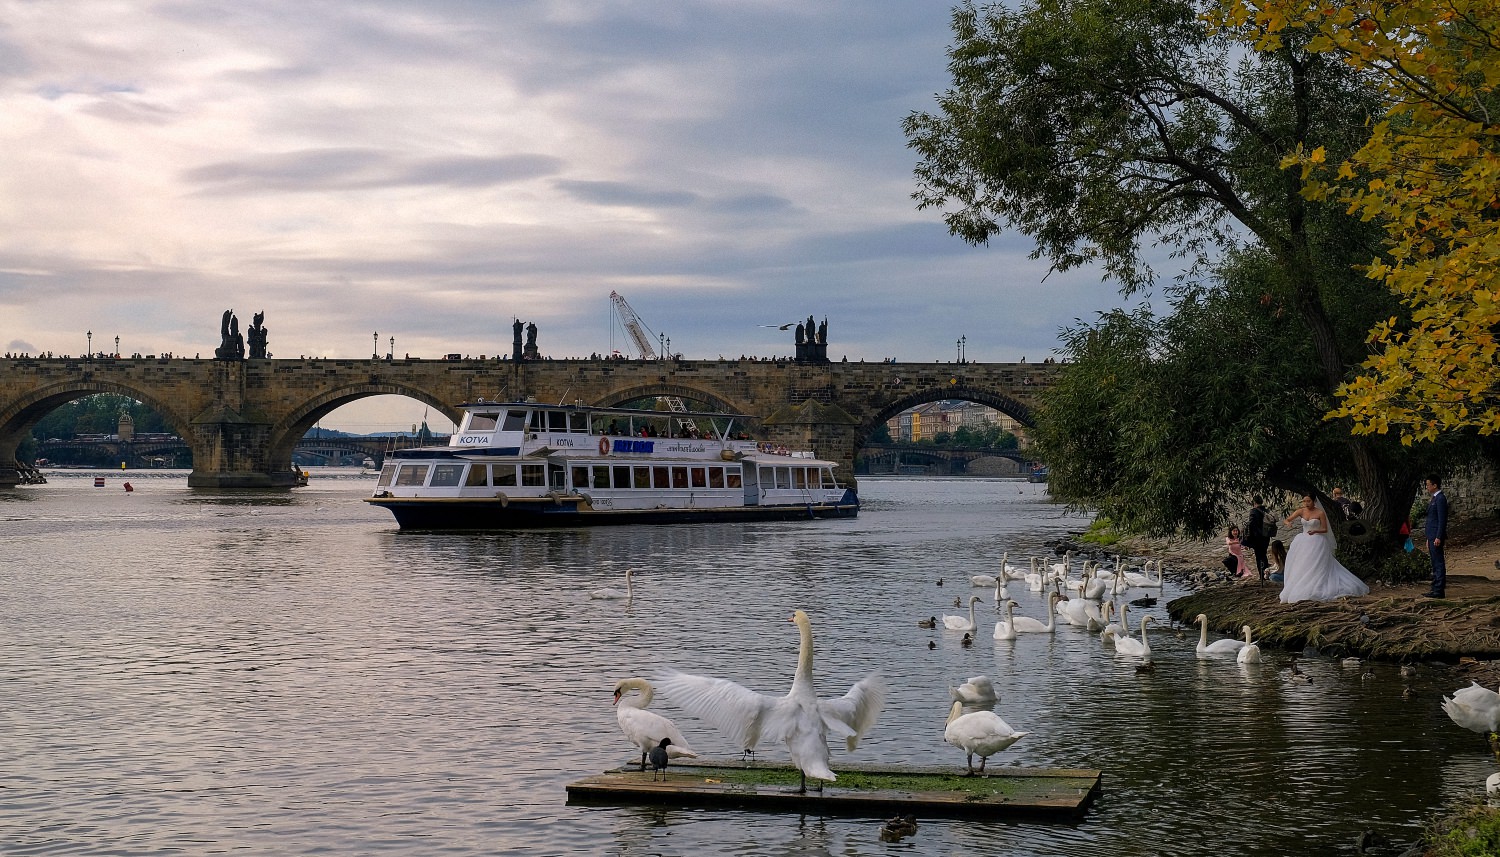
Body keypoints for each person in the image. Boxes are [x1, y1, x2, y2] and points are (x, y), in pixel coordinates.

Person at [1278, 494, 1370, 603]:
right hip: (1302, 540)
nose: (1306, 503)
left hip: (1316, 540)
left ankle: (1316, 583)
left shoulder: (1320, 513)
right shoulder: (1301, 511)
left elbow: (1325, 529)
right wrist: (1288, 523)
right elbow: (1287, 520)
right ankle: (1300, 583)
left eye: (1308, 501)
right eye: (1304, 501)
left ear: (1313, 501)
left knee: (1316, 563)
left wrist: (1316, 531)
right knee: (1302, 563)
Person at [1424, 476, 1448, 598]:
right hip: (1431, 535)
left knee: (1438, 562)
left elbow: (1442, 520)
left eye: (1428, 484)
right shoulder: (1434, 499)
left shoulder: (1440, 499)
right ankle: (1434, 587)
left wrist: (1438, 536)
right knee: (1434, 562)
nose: (1427, 487)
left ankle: (1439, 589)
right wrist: (1429, 538)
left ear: (1435, 485)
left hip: (1436, 535)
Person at [1244, 496, 1271, 581]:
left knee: (1259, 557)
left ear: (1254, 503)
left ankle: (1262, 576)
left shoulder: (1254, 511)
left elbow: (1251, 525)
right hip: (1266, 537)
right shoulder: (1266, 510)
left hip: (1257, 538)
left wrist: (1247, 539)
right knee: (1264, 555)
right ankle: (1266, 575)